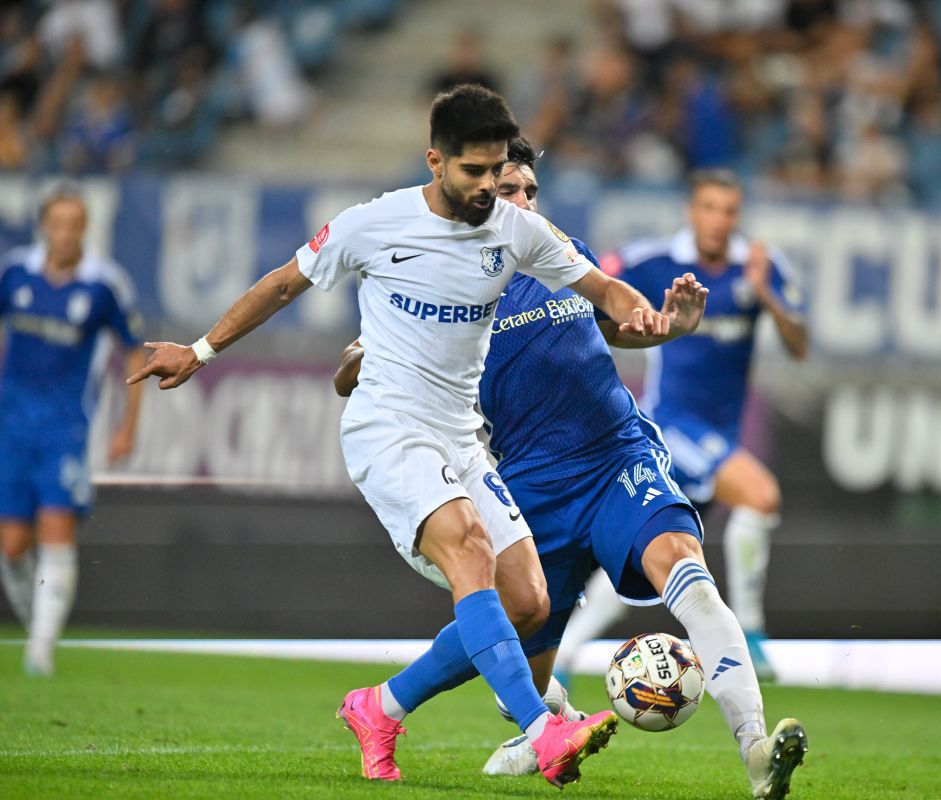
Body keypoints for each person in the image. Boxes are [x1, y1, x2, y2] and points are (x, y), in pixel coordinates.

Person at [127, 85, 673, 787]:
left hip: (460, 437)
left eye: (496, 171)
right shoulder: (375, 223)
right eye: (473, 172)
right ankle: (543, 732)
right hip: (389, 427)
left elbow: (605, 289)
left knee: (530, 602)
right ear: (435, 160)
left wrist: (646, 317)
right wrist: (200, 351)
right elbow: (282, 284)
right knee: (470, 554)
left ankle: (380, 706)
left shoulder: (518, 230)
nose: (487, 188)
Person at [335, 136, 807, 800]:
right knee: (520, 650)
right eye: (509, 192)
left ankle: (755, 748)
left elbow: (619, 327)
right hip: (530, 484)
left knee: (687, 572)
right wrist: (370, 354)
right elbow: (349, 372)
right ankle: (395, 705)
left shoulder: (559, 253)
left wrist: (674, 325)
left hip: (618, 457)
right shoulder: (437, 284)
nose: (525, 202)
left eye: (531, 189)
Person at [558, 167, 808, 682]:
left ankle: (561, 654)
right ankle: (753, 637)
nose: (719, 221)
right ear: (691, 211)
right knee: (760, 496)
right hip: (671, 424)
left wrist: (769, 297)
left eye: (729, 210)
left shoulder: (758, 268)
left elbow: (799, 346)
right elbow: (590, 285)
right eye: (710, 208)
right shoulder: (653, 261)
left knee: (660, 556)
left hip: (721, 432)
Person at [0, 187, 145, 676]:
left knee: (57, 527)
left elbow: (133, 350)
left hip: (65, 426)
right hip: (11, 424)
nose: (64, 233)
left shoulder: (105, 285)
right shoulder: (15, 272)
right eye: (56, 223)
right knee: (12, 544)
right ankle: (36, 626)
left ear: (85, 228)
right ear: (43, 225)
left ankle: (40, 651)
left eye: (74, 224)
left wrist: (127, 425)